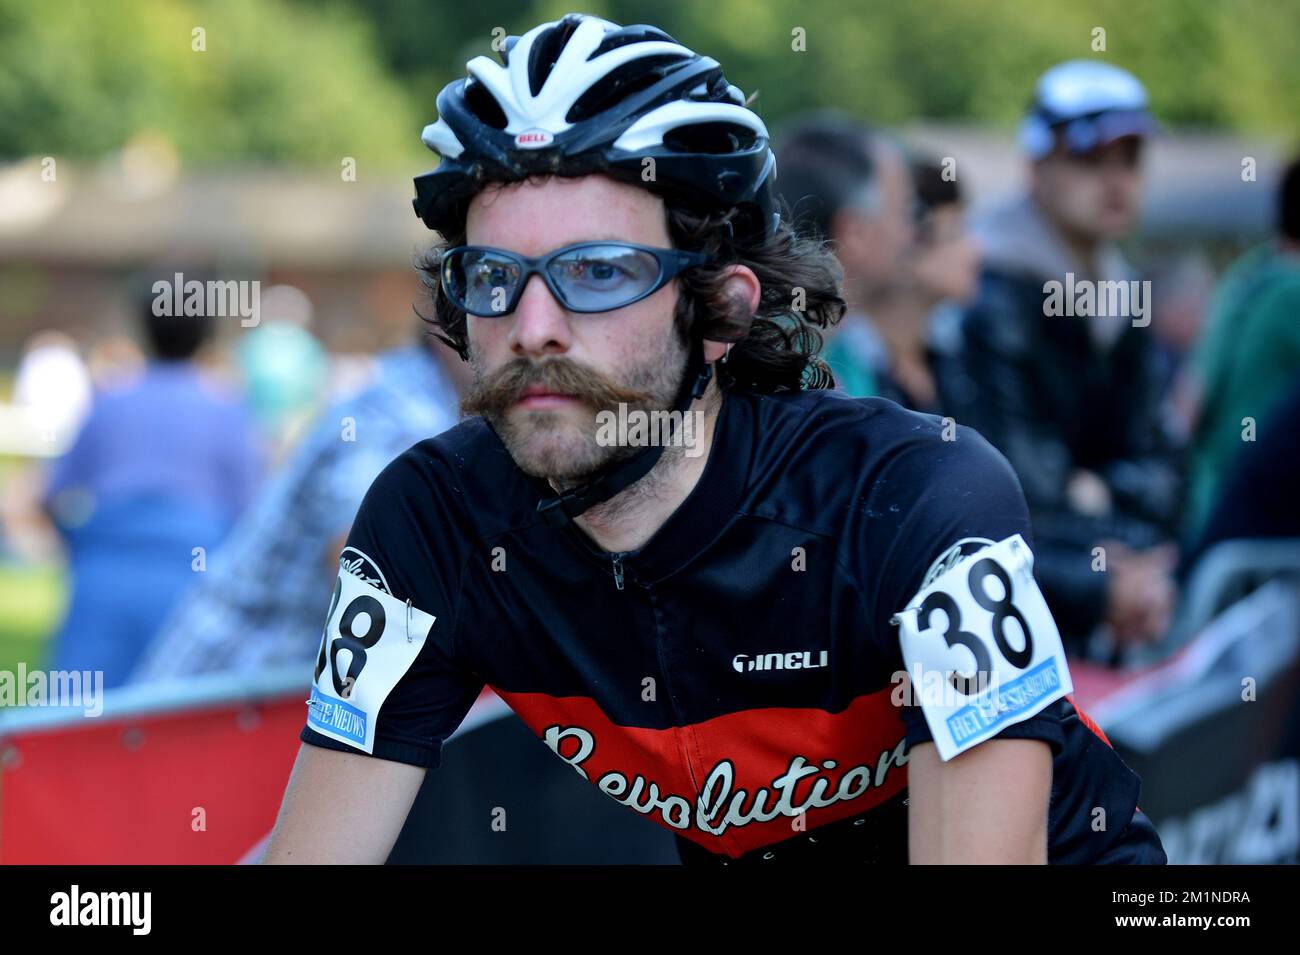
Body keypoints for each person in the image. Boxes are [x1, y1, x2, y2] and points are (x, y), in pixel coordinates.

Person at [265, 14, 1165, 865]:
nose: (533, 325)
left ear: (722, 308)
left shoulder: (911, 496)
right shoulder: (434, 521)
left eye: (597, 271)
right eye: (495, 275)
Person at [957, 60, 1183, 659]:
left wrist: (1101, 502)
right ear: (1036, 166)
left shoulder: (1122, 291)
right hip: (1011, 617)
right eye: (1089, 159)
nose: (1115, 182)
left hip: (1101, 595)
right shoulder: (989, 289)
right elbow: (1019, 486)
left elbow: (1166, 468)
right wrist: (1111, 533)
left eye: (1130, 159)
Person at [129, 321, 462, 681]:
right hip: (225, 696)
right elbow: (369, 572)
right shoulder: (399, 418)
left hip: (252, 691)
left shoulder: (428, 403)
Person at [39, 272, 264, 687]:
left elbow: (52, 496)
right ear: (205, 334)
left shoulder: (110, 400)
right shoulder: (227, 411)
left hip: (104, 575)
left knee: (79, 717)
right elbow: (251, 516)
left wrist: (84, 546)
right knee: (176, 722)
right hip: (190, 578)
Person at [1184, 155, 1300, 543]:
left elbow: (1188, 401)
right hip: (1255, 535)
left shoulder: (1249, 274)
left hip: (1210, 511)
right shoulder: (1291, 292)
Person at [774, 113, 916, 397]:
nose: (911, 235)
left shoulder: (842, 348)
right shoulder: (779, 373)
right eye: (904, 212)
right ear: (855, 232)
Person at [863, 155, 982, 413]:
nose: (974, 250)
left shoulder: (956, 351)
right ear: (906, 242)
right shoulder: (849, 366)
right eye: (955, 234)